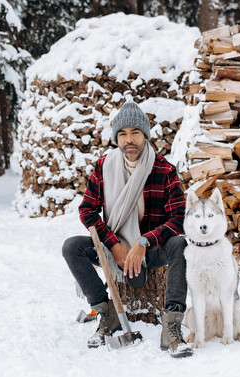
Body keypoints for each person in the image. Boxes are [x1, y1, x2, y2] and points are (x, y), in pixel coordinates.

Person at [62, 101, 193, 358]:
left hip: (152, 249)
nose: (128, 140)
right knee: (72, 247)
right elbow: (87, 210)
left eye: (135, 132)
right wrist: (114, 244)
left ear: (145, 135)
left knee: (180, 245)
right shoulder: (104, 166)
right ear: (116, 138)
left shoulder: (164, 170)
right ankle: (106, 312)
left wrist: (144, 242)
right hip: (116, 247)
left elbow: (179, 218)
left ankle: (171, 326)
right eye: (122, 134)